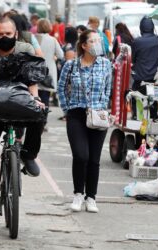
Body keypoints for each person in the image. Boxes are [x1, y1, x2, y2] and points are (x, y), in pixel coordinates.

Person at [0, 17, 44, 216]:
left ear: (16, 35)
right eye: (0, 35)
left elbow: (32, 80)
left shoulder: (26, 50)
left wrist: (36, 99)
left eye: (8, 34)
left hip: (21, 105)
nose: (4, 37)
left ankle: (28, 156)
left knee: (40, 115)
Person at [58, 30, 112, 213]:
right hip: (76, 115)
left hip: (98, 115)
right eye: (93, 40)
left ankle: (91, 197)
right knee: (81, 156)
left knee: (94, 159)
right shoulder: (71, 65)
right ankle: (78, 194)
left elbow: (108, 88)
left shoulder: (105, 64)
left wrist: (102, 107)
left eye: (99, 40)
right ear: (84, 45)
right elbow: (61, 87)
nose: (98, 43)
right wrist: (66, 109)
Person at [35, 19, 63, 130]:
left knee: (35, 96)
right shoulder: (53, 40)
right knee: (45, 98)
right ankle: (43, 122)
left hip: (34, 71)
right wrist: (53, 57)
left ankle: (35, 120)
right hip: (48, 73)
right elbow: (61, 55)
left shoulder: (33, 38)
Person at [131, 16, 158, 90]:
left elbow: (133, 59)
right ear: (153, 28)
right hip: (155, 79)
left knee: (135, 98)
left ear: (141, 28)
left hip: (139, 80)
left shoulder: (136, 42)